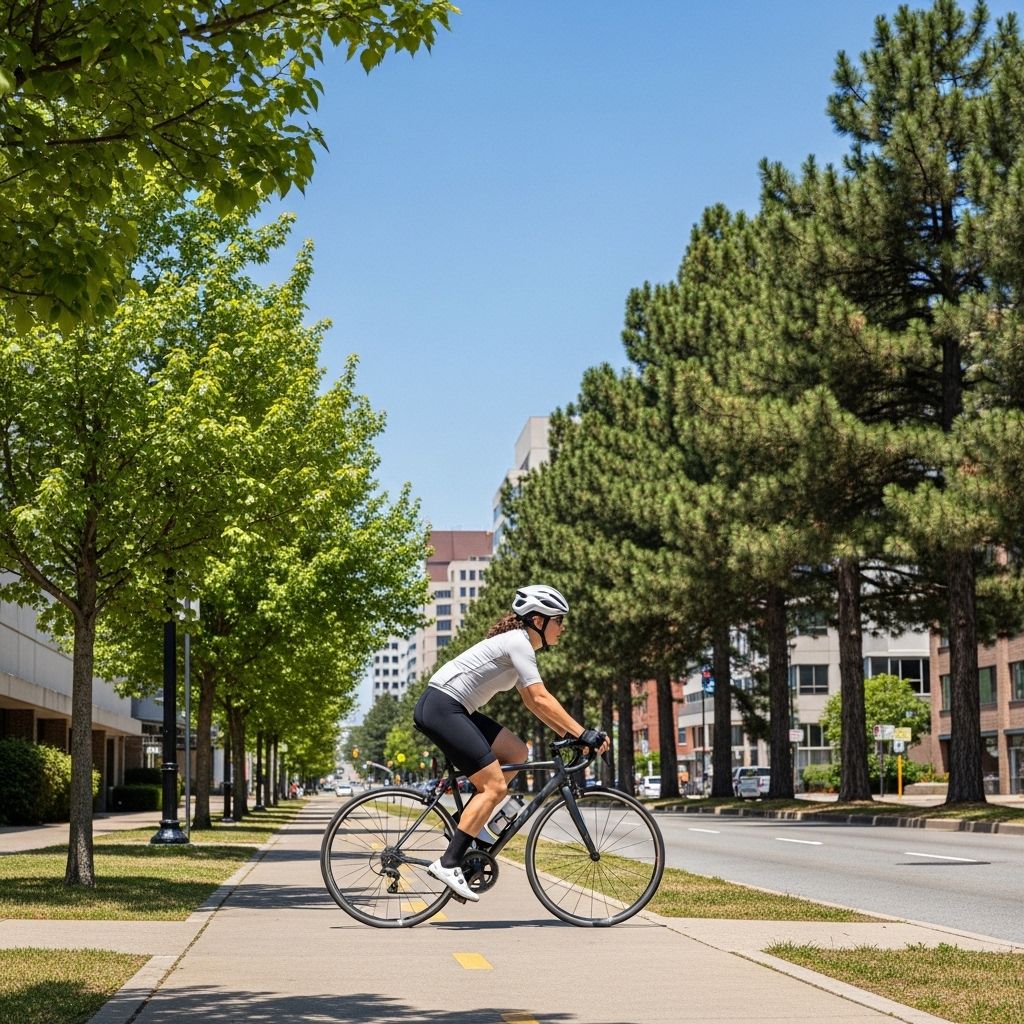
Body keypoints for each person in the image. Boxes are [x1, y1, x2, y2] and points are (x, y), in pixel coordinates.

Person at [413, 584, 609, 901]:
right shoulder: (518, 642)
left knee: (517, 751)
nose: (563, 627)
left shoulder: (516, 645)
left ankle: (473, 830)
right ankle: (449, 862)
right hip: (442, 707)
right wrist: (582, 733)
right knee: (494, 787)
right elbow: (542, 697)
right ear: (537, 620)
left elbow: (533, 703)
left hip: (452, 707)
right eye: (559, 620)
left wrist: (570, 734)